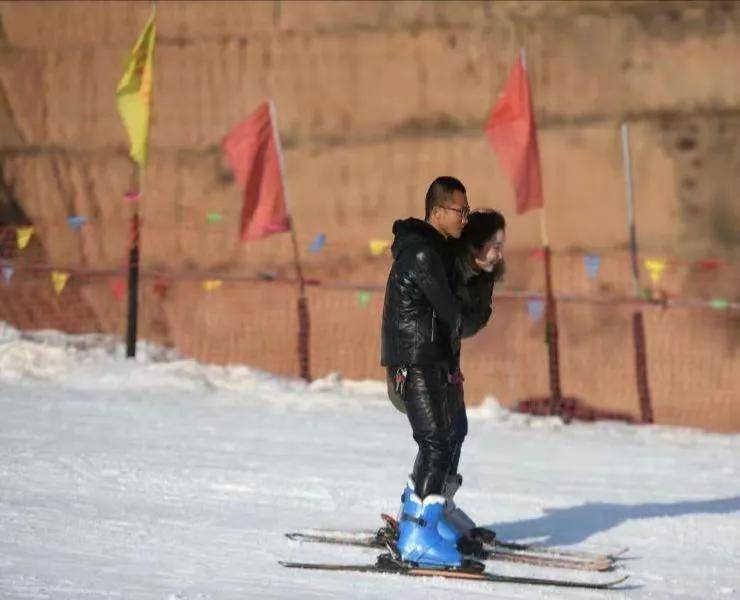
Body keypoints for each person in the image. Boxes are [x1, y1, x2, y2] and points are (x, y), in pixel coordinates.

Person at [380, 176, 469, 568]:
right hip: (416, 362)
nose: (464, 218)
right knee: (436, 444)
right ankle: (418, 536)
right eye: (460, 211)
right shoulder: (422, 255)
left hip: (429, 360)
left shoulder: (434, 251)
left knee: (443, 438)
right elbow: (451, 312)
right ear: (437, 212)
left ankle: (420, 521)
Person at [442, 209, 506, 546]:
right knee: (439, 435)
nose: (499, 253)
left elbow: (470, 324)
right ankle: (422, 511)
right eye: (494, 245)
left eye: (501, 246)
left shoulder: (482, 279)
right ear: (475, 246)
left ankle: (441, 501)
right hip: (420, 363)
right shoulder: (448, 271)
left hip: (446, 362)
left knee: (457, 429)